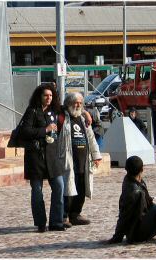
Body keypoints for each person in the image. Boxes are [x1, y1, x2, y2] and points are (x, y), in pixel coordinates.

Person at [20, 83, 66, 232]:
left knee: (59, 186)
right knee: (37, 191)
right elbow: (25, 131)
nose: (49, 98)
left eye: (51, 95)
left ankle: (56, 222)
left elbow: (71, 110)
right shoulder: (32, 111)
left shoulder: (54, 112)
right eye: (46, 95)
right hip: (36, 157)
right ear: (39, 96)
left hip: (52, 157)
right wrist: (44, 130)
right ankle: (40, 222)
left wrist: (85, 113)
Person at [58, 92, 102, 227]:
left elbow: (91, 138)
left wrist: (96, 156)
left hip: (83, 160)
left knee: (81, 188)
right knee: (68, 189)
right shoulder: (62, 118)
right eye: (75, 102)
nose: (77, 105)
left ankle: (76, 214)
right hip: (68, 159)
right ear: (68, 103)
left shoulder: (82, 119)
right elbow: (58, 107)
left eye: (80, 103)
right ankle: (64, 215)